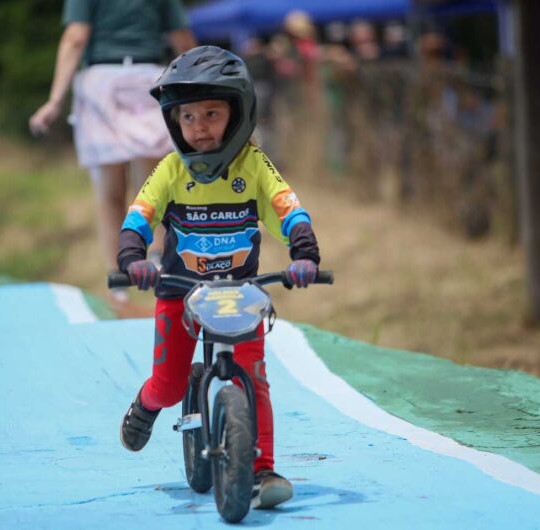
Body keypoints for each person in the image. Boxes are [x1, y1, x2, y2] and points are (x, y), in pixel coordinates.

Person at [116, 46, 322, 510]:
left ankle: (261, 469)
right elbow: (139, 218)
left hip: (241, 296)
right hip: (179, 292)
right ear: (174, 123)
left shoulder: (254, 166)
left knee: (254, 377)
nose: (200, 126)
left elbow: (290, 210)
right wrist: (133, 257)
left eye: (212, 113)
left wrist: (304, 252)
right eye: (188, 117)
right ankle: (147, 405)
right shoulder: (169, 170)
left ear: (239, 114)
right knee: (168, 386)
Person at [29, 0, 196, 304]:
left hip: (101, 82)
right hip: (149, 79)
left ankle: (119, 279)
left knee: (109, 193)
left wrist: (54, 100)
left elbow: (76, 37)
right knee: (153, 186)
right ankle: (159, 257)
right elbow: (181, 39)